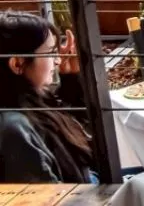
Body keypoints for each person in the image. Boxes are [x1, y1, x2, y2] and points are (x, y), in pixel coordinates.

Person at [0, 12, 94, 183]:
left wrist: (71, 80)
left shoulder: (29, 101)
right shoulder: (14, 129)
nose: (58, 60)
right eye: (51, 52)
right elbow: (50, 197)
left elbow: (77, 141)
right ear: (17, 64)